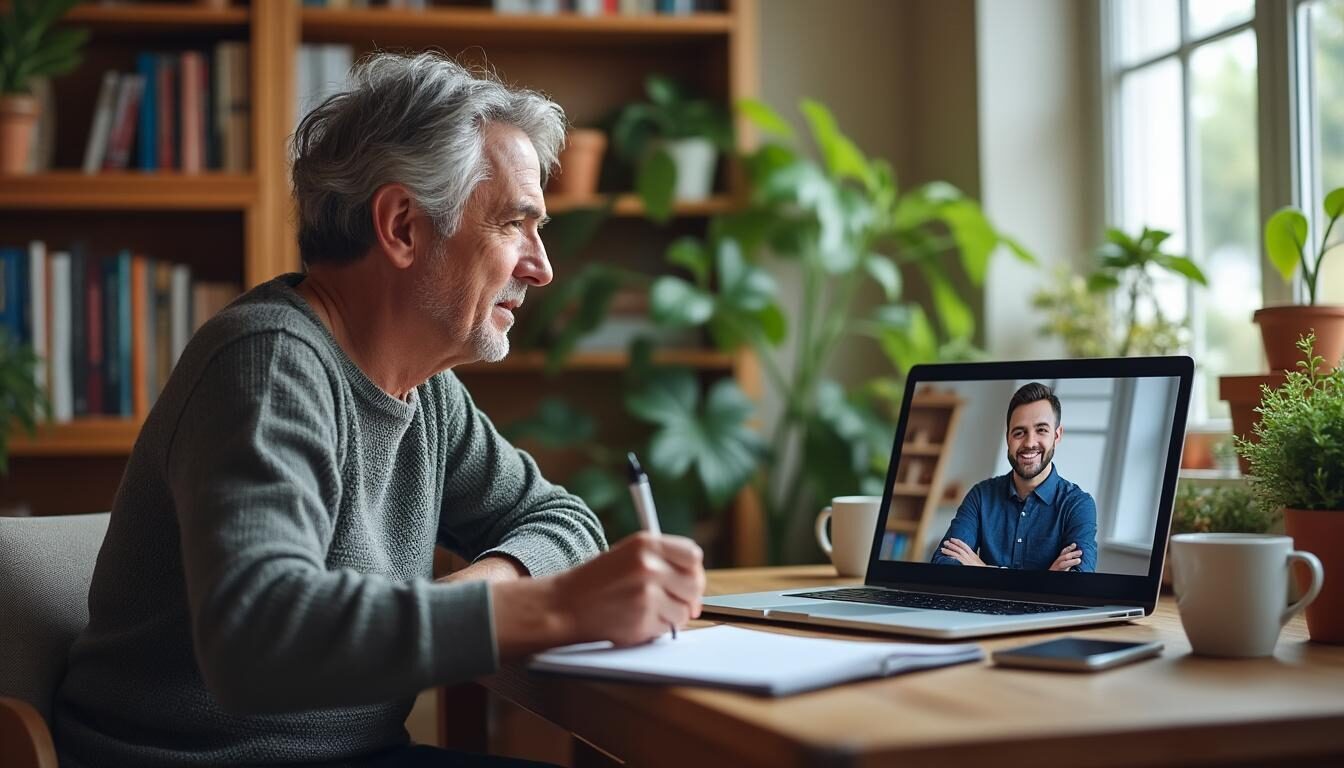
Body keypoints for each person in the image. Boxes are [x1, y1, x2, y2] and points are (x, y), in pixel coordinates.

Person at [52, 53, 705, 768]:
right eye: (514, 224)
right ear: (401, 226)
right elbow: (257, 640)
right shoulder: (268, 365)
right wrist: (552, 607)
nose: (542, 266)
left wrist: (473, 594)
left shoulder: (424, 390)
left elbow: (564, 521)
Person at [930, 382, 1097, 572]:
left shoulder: (1078, 505)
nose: (1030, 443)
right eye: (1019, 432)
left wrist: (984, 570)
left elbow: (1077, 580)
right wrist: (1046, 580)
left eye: (1041, 430)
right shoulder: (981, 496)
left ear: (1057, 436)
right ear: (1008, 437)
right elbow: (943, 564)